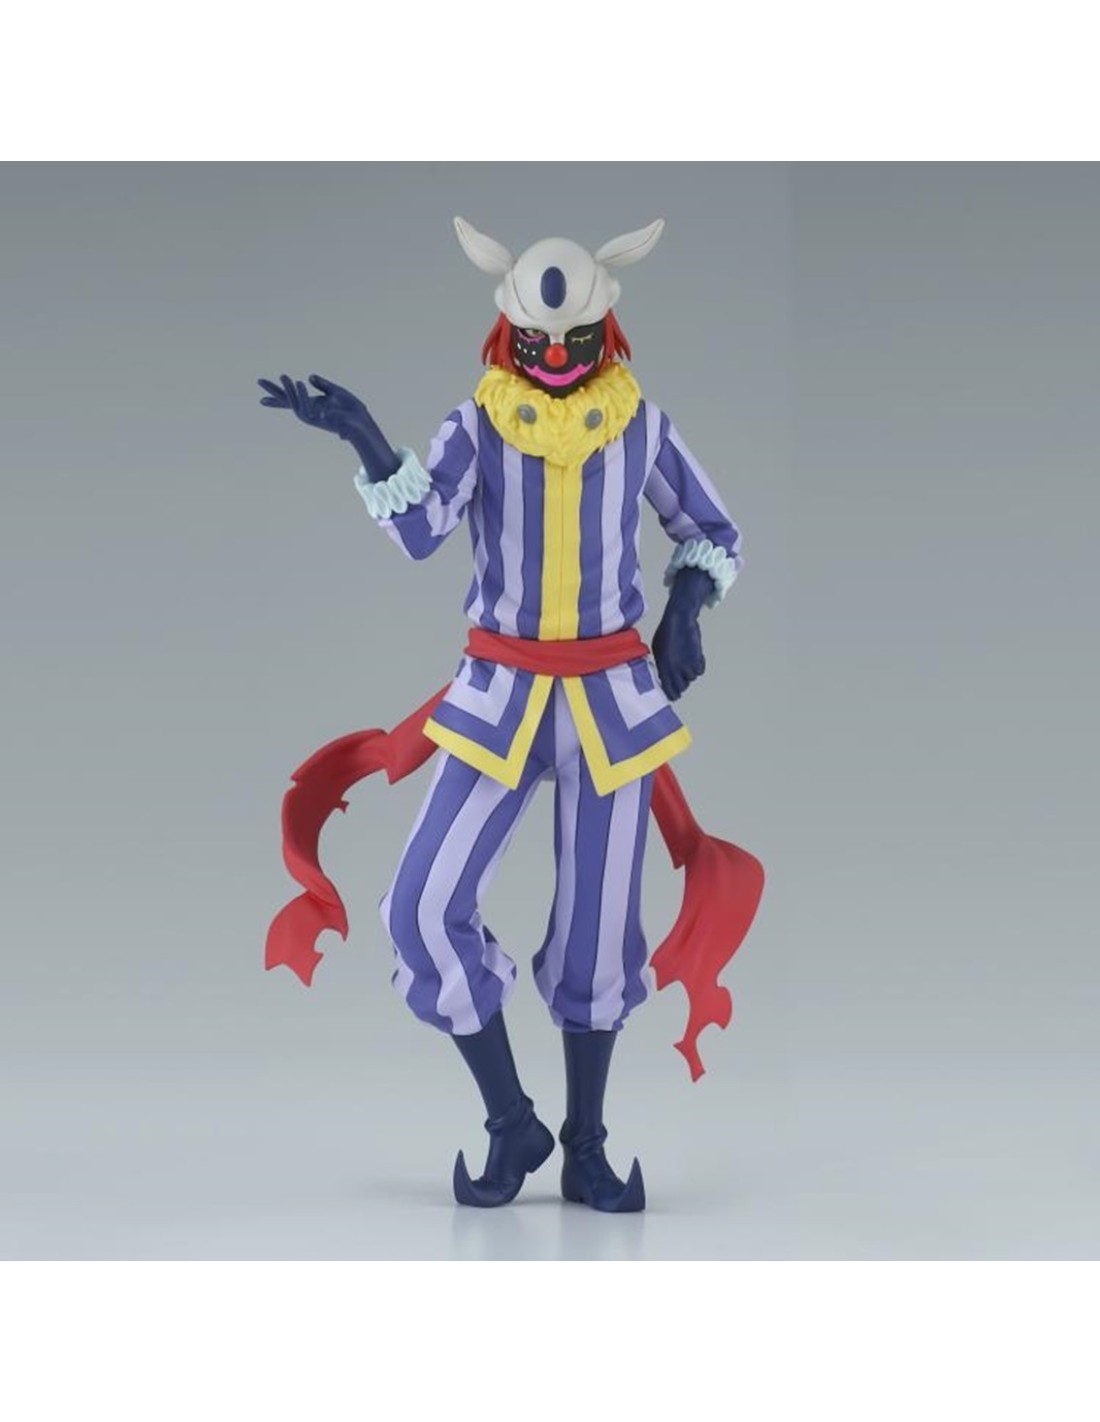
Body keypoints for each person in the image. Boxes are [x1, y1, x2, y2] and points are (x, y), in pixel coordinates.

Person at [260, 217, 761, 1213]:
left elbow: (711, 528)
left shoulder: (640, 425)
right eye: (537, 340)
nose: (557, 357)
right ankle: (511, 1122)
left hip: (612, 703)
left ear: (605, 332)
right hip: (498, 696)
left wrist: (687, 607)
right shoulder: (480, 423)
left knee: (599, 933)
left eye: (575, 340)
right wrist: (366, 438)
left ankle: (585, 1147)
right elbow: (420, 530)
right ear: (507, 334)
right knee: (420, 905)